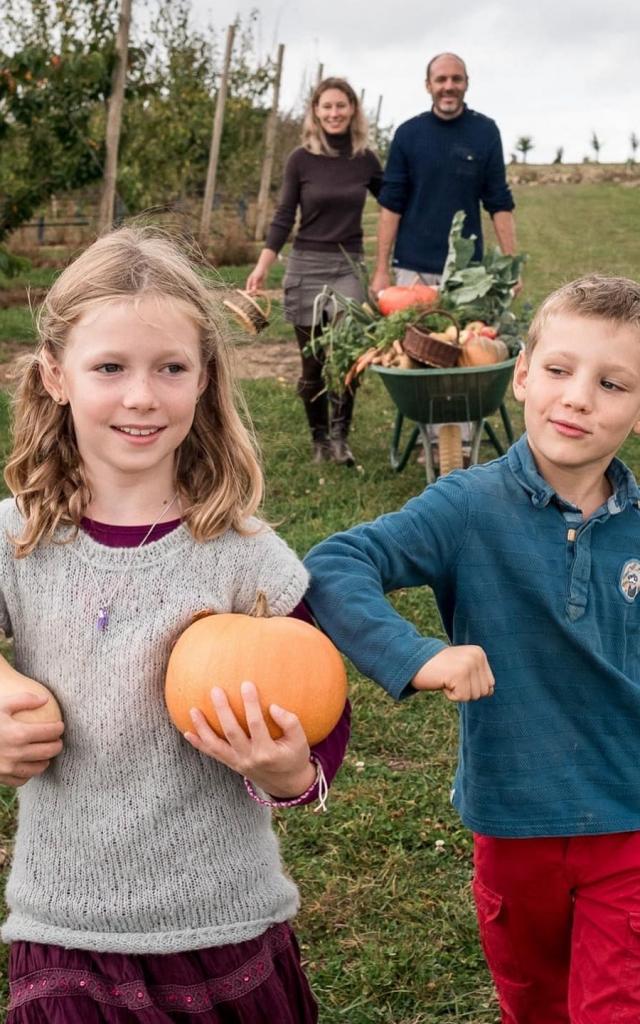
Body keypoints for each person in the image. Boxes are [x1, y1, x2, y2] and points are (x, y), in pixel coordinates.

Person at [0, 226, 351, 1023]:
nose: (141, 397)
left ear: (203, 380)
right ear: (55, 375)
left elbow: (325, 713)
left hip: (222, 922)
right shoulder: (17, 540)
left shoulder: (244, 555)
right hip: (66, 929)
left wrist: (291, 774)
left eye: (170, 368)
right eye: (110, 368)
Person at [304, 274, 640, 1023]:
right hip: (510, 820)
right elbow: (334, 565)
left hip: (628, 826)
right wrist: (417, 656)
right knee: (534, 1005)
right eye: (559, 370)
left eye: (613, 383)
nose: (579, 397)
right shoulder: (467, 505)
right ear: (521, 375)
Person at [246, 77, 383, 467]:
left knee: (347, 356)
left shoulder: (366, 160)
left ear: (353, 109)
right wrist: (263, 263)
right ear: (316, 111)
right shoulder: (300, 159)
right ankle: (319, 440)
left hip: (347, 266)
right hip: (306, 265)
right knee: (313, 361)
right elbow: (285, 215)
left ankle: (341, 438)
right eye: (326, 106)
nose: (334, 113)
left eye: (341, 106)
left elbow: (395, 202)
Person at [371, 52, 517, 295]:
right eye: (441, 80)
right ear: (428, 85)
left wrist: (511, 266)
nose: (448, 87)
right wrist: (381, 270)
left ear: (466, 83)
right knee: (411, 332)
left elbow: (499, 201)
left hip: (466, 270)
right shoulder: (408, 134)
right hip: (412, 268)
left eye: (456, 79)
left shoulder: (485, 132)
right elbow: (391, 204)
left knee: (464, 333)